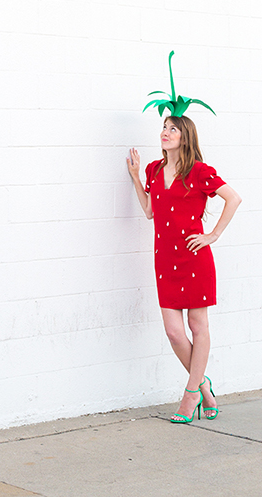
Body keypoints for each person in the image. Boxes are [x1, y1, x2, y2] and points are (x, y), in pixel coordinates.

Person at [127, 114, 241, 423]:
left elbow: (234, 198)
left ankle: (190, 396)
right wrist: (136, 178)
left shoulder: (199, 172)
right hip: (164, 258)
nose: (165, 132)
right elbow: (150, 211)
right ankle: (203, 384)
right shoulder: (154, 169)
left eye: (172, 128)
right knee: (174, 333)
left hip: (194, 257)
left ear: (185, 136)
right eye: (164, 127)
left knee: (197, 325)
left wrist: (212, 235)